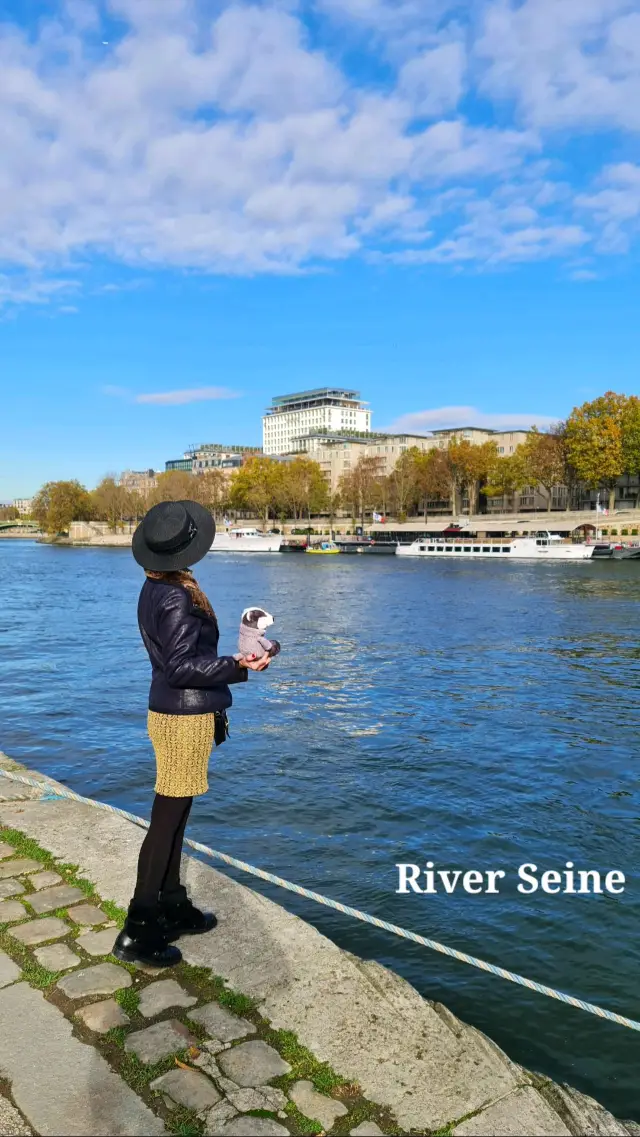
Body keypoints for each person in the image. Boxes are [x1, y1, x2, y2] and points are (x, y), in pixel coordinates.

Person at [112, 499, 269, 968]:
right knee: (166, 819)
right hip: (183, 719)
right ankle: (139, 927)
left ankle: (172, 902)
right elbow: (182, 667)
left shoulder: (155, 587)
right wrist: (240, 666)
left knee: (176, 814)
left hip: (171, 712)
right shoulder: (178, 594)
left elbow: (173, 660)